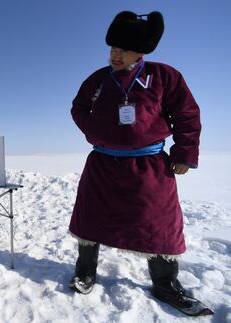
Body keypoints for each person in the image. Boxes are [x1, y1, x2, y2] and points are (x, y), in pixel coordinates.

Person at [68, 11, 213, 316]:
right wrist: (94, 129)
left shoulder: (164, 77)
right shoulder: (98, 80)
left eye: (122, 50)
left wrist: (185, 153)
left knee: (159, 224)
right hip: (102, 164)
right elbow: (79, 107)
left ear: (140, 51)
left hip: (148, 164)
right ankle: (85, 272)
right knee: (90, 218)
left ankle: (165, 284)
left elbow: (187, 115)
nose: (115, 55)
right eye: (112, 49)